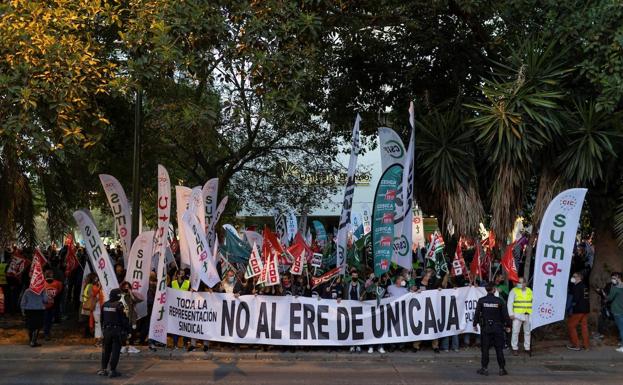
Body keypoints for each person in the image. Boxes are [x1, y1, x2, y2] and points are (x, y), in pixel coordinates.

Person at [473, 283, 510, 376]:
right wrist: (508, 326)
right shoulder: (500, 301)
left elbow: (477, 314)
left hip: (486, 328)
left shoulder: (482, 300)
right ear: (493, 289)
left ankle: (484, 369)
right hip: (498, 328)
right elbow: (505, 315)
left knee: (485, 349)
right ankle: (502, 369)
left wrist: (474, 324)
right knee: (499, 349)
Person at [98, 288, 130, 378]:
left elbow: (102, 319)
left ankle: (103, 369)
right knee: (115, 350)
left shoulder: (105, 305)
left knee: (106, 350)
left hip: (106, 330)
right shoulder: (119, 306)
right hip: (116, 331)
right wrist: (128, 331)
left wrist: (103, 330)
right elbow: (124, 320)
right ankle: (112, 370)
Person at [507, 277, 532, 356]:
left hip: (528, 314)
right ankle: (515, 348)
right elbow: (509, 303)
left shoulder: (529, 290)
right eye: (519, 282)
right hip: (517, 315)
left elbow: (533, 301)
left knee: (527, 332)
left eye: (521, 283)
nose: (519, 284)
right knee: (515, 332)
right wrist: (511, 313)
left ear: (525, 283)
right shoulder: (514, 291)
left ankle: (527, 348)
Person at [566, 272, 590, 351]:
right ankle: (586, 346)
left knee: (571, 326)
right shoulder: (585, 286)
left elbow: (575, 299)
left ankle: (576, 345)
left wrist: (569, 307)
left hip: (578, 310)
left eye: (574, 276)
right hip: (585, 310)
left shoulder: (576, 287)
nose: (572, 277)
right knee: (584, 327)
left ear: (579, 278)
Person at [42, 269, 63, 341]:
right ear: (52, 275)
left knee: (45, 319)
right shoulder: (58, 283)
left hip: (44, 304)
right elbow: (59, 291)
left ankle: (46, 333)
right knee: (49, 319)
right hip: (54, 304)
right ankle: (47, 333)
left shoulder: (42, 283)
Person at [605, 272, 623, 352]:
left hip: (617, 310)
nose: (612, 280)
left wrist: (605, 296)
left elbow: (609, 298)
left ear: (618, 278)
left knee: (621, 328)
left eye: (614, 278)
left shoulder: (615, 288)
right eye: (612, 278)